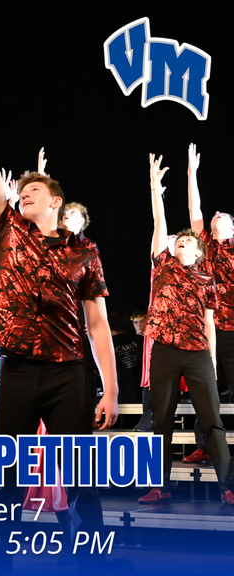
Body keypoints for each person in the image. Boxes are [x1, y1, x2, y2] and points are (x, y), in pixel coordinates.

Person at [0, 54, 119, 565]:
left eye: (35, 190)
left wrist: (112, 387)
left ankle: (90, 555)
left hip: (69, 373)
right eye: (21, 191)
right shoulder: (6, 230)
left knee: (81, 475)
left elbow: (98, 324)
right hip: (16, 370)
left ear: (56, 202)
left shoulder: (84, 251)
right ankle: (0, 557)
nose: (24, 194)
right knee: (7, 474)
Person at [138, 154, 233, 505]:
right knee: (160, 421)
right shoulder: (162, 265)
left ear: (199, 251)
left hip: (197, 353)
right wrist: (155, 189)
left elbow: (209, 322)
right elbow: (158, 220)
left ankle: (227, 486)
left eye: (188, 241)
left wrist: (211, 359)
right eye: (178, 240)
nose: (181, 242)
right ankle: (159, 485)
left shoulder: (207, 279)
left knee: (212, 420)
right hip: (164, 350)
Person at [188, 143, 234, 403]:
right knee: (206, 388)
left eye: (223, 214)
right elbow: (195, 210)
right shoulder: (204, 244)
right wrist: (191, 173)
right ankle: (206, 429)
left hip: (232, 328)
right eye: (215, 213)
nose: (216, 213)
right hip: (208, 324)